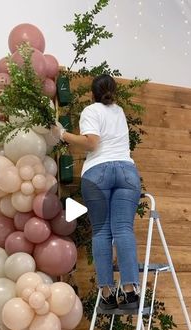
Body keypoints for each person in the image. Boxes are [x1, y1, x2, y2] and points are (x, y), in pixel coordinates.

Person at [51, 74, 141, 310]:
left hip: (98, 173)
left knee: (102, 232)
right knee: (123, 229)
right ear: (113, 92)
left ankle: (107, 294)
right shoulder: (119, 111)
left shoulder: (91, 110)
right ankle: (130, 292)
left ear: (93, 93)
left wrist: (61, 134)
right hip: (126, 172)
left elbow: (92, 143)